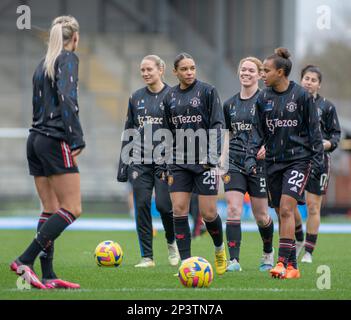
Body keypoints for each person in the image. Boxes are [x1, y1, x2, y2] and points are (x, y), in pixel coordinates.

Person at [10, 16, 84, 289]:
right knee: (72, 208)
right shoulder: (67, 59)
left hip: (36, 139)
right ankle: (25, 259)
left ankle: (49, 275)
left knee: (50, 208)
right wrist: (76, 138)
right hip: (54, 139)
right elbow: (68, 99)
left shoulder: (42, 65)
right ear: (74, 38)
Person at [245, 48, 324, 279]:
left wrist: (316, 161)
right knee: (281, 212)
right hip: (273, 162)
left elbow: (314, 132)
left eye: (266, 70)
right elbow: (257, 131)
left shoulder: (301, 96)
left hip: (298, 161)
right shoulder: (263, 97)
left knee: (288, 208)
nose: (262, 75)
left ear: (281, 72)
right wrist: (251, 156)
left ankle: (280, 263)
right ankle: (293, 266)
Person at [161, 52, 227, 275]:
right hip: (178, 161)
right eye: (184, 69)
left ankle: (219, 249)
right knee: (179, 210)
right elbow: (166, 131)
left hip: (205, 163)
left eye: (192, 68)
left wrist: (212, 156)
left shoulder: (208, 91)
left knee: (208, 213)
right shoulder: (169, 96)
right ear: (175, 72)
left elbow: (218, 124)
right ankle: (186, 264)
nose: (189, 72)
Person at [117, 55, 179, 268]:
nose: (145, 73)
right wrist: (123, 165)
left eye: (149, 69)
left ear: (161, 69)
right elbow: (129, 130)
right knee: (141, 205)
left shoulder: (173, 96)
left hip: (166, 161)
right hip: (139, 160)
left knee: (163, 206)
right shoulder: (135, 97)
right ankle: (147, 257)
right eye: (142, 70)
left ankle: (172, 243)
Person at [222, 57, 274, 272]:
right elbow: (227, 133)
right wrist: (222, 159)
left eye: (251, 70)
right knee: (233, 209)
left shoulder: (267, 101)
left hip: (258, 164)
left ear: (260, 74)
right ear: (238, 72)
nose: (246, 73)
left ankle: (268, 253)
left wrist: (268, 147)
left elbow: (276, 130)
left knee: (261, 215)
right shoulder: (229, 104)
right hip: (234, 162)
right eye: (243, 69)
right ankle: (234, 260)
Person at [294, 65, 341, 263]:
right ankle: (296, 239)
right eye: (306, 78)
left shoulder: (327, 107)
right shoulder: (291, 103)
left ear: (319, 85)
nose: (309, 82)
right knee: (287, 204)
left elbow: (336, 134)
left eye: (314, 80)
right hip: (293, 159)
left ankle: (308, 252)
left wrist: (327, 143)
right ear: (301, 80)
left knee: (313, 207)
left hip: (319, 162)